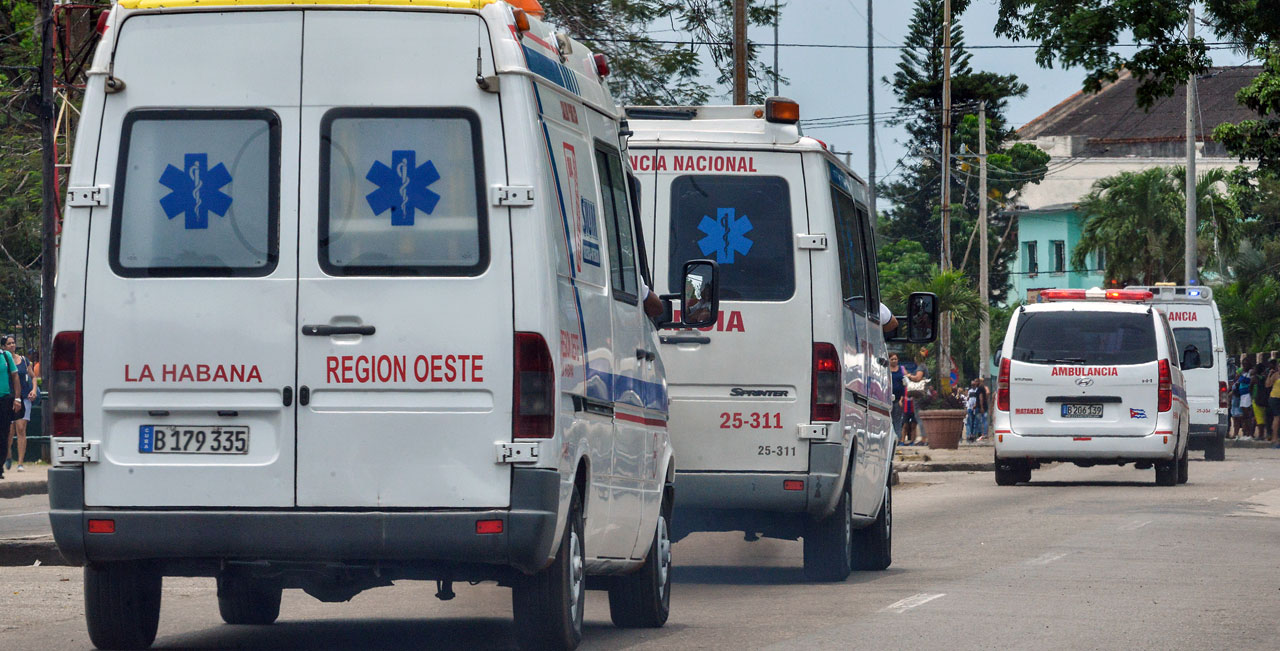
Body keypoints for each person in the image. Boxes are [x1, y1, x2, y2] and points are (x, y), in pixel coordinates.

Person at [5, 336, 32, 471]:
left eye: (13, 343)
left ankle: (20, 462)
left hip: (23, 397)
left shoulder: (24, 360)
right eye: (9, 343)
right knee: (8, 431)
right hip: (8, 398)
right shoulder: (3, 361)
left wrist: (33, 390)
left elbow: (32, 376)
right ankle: (8, 455)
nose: (12, 345)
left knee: (21, 429)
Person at [0, 339, 21, 480]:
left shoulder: (6, 356)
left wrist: (17, 398)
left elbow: (15, 376)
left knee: (3, 434)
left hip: (4, 399)